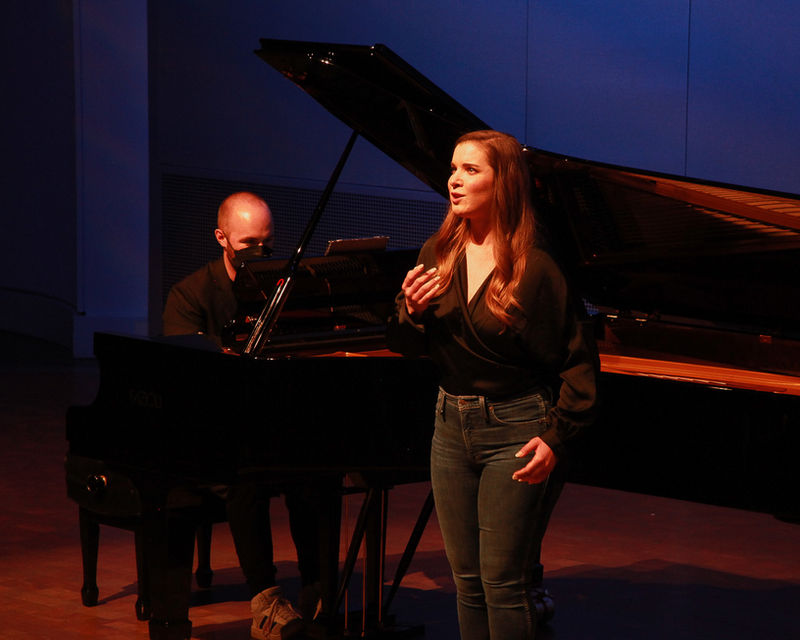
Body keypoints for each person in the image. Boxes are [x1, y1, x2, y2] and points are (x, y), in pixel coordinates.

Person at [387, 130, 599, 640]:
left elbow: (578, 362)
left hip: (515, 430)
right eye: (453, 169)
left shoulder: (537, 266)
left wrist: (556, 438)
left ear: (501, 182)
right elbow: (405, 343)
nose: (454, 181)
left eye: (470, 170)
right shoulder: (438, 251)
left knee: (503, 583)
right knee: (466, 583)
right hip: (449, 428)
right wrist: (411, 310)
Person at [163, 191, 340, 640]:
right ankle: (265, 599)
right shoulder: (190, 295)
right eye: (248, 244)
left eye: (268, 243)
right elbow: (185, 379)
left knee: (315, 470)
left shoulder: (282, 287)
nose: (261, 253)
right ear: (221, 238)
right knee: (246, 476)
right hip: (207, 431)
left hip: (271, 422)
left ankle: (318, 586)